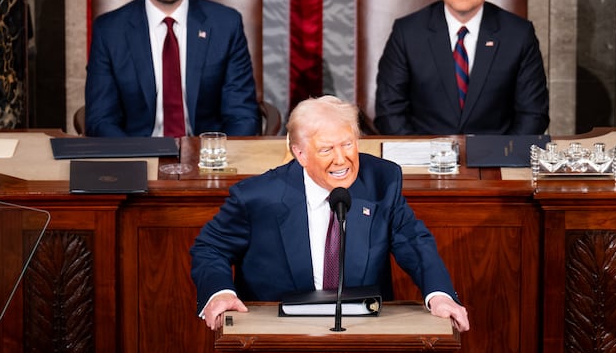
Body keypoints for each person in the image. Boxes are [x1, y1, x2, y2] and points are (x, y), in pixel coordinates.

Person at [190, 95, 470, 332]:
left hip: (362, 334)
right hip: (278, 336)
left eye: (348, 144)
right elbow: (209, 248)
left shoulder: (381, 181)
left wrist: (439, 294)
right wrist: (220, 292)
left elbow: (414, 241)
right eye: (326, 149)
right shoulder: (258, 196)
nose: (341, 159)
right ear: (300, 154)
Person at [85, 0, 260, 137]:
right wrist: (132, 159)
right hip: (137, 157)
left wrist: (218, 160)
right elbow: (101, 119)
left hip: (208, 160)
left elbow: (242, 115)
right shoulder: (110, 31)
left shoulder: (225, 25)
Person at [375, 0, 549, 135]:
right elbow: (389, 111)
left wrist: (503, 157)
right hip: (424, 159)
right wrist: (420, 157)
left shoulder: (518, 34)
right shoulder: (407, 32)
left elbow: (533, 114)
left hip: (496, 160)